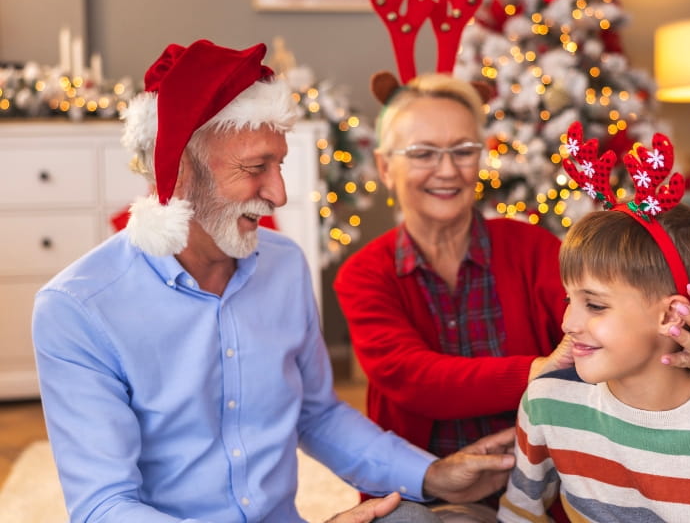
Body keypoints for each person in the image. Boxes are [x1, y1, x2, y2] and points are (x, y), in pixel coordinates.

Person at [31, 40, 518, 523]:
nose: (279, 194)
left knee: (418, 518)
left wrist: (432, 474)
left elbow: (317, 414)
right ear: (179, 173)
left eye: (279, 164)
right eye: (255, 168)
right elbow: (103, 507)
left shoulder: (283, 265)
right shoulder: (78, 308)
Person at [333, 73, 690, 522]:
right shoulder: (364, 273)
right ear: (386, 166)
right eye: (423, 153)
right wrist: (536, 371)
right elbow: (410, 376)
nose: (447, 169)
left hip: (552, 486)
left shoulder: (532, 249)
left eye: (463, 151)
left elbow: (627, 321)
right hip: (428, 486)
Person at [498, 127, 690, 521]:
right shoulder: (546, 401)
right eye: (568, 299)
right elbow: (520, 513)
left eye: (594, 305)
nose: (568, 323)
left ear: (671, 315)